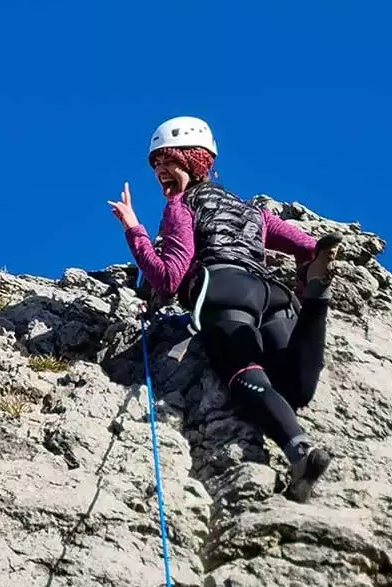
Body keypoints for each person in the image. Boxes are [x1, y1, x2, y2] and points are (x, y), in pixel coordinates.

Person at [108, 115, 343, 501]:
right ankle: (315, 301)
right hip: (273, 295)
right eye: (155, 165)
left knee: (243, 375)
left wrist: (134, 230)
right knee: (296, 389)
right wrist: (309, 271)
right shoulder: (251, 210)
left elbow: (168, 278)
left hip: (224, 293)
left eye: (168, 161)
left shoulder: (181, 206)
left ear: (193, 161)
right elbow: (306, 247)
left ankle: (299, 451)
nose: (160, 171)